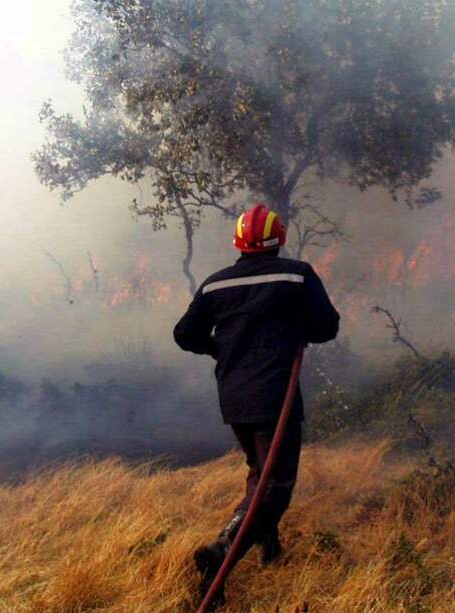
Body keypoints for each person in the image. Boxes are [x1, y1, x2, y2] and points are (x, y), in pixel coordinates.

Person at [174, 202, 340, 604]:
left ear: (239, 243)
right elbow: (327, 327)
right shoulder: (296, 275)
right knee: (275, 486)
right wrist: (295, 330)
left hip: (234, 396)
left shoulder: (216, 285)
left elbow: (184, 334)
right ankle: (223, 549)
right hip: (274, 396)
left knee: (259, 471)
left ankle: (270, 547)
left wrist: (220, 348)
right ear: (278, 240)